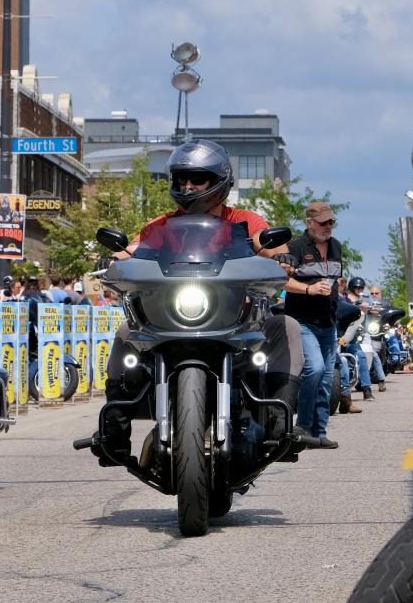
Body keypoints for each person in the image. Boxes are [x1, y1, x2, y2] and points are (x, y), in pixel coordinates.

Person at [100, 139, 305, 466]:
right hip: (173, 318)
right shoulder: (162, 225)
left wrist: (284, 256)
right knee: (127, 331)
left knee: (286, 326)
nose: (188, 185)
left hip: (236, 320)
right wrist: (115, 255)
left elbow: (266, 244)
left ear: (219, 180)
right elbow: (136, 247)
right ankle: (114, 433)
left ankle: (280, 426)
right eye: (182, 179)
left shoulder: (244, 220)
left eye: (198, 178)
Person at [281, 200, 345, 449]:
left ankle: (319, 432)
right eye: (323, 222)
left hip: (329, 322)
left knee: (327, 378)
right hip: (303, 322)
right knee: (315, 369)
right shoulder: (295, 247)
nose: (328, 226)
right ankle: (304, 426)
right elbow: (282, 281)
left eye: (331, 222)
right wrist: (308, 289)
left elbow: (335, 279)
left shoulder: (337, 246)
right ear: (310, 223)